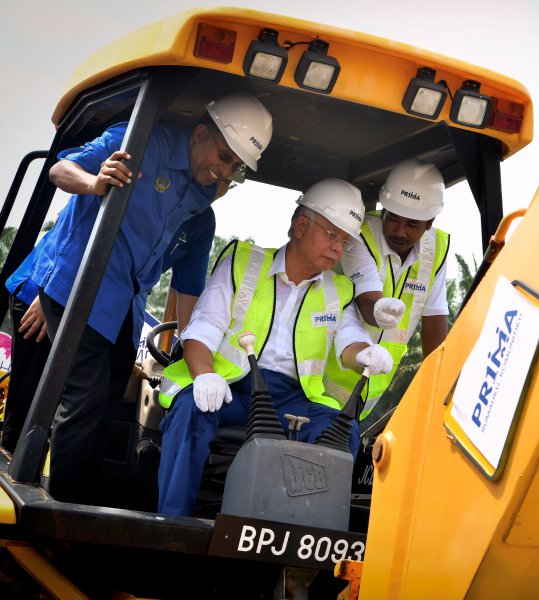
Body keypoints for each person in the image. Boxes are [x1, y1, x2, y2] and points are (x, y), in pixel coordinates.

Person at [3, 93, 273, 504]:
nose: (225, 171)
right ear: (200, 132)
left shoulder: (202, 210)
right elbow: (61, 168)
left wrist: (192, 364)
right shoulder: (143, 141)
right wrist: (95, 183)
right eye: (224, 156)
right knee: (81, 403)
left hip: (123, 312)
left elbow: (188, 296)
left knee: (107, 411)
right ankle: (60, 516)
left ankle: (86, 505)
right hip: (77, 289)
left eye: (234, 167)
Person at [156, 179, 395, 517]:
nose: (338, 249)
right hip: (233, 388)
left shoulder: (339, 290)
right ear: (300, 226)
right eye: (331, 234)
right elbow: (203, 328)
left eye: (344, 240)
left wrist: (365, 353)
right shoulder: (242, 262)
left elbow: (348, 341)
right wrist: (205, 375)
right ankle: (172, 525)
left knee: (343, 433)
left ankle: (304, 539)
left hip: (292, 400)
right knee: (191, 411)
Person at [1, 178, 236, 454]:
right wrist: (52, 292)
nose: (218, 183)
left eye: (227, 180)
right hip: (52, 291)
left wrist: (189, 354)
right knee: (31, 407)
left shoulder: (201, 223)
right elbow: (78, 227)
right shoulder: (152, 185)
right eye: (217, 173)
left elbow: (188, 295)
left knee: (96, 411)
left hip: (111, 311)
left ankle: (71, 487)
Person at [323, 158, 450, 420]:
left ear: (429, 222)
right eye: (392, 218)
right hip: (320, 382)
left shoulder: (437, 249)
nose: (398, 231)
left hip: (370, 394)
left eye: (412, 224)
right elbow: (369, 305)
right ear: (383, 210)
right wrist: (378, 310)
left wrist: (439, 382)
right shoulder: (359, 236)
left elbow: (435, 318)